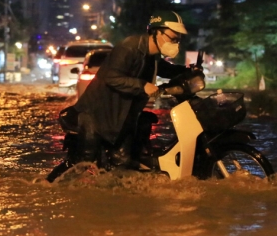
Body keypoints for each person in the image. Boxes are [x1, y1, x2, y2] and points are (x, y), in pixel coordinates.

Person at [47, 10, 192, 182]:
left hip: (121, 119)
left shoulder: (152, 55)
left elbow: (164, 69)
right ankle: (47, 188)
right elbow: (111, 77)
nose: (175, 43)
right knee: (80, 164)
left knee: (122, 165)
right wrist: (142, 85)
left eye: (178, 39)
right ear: (156, 32)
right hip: (95, 116)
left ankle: (110, 201)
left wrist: (188, 72)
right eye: (172, 37)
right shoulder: (129, 47)